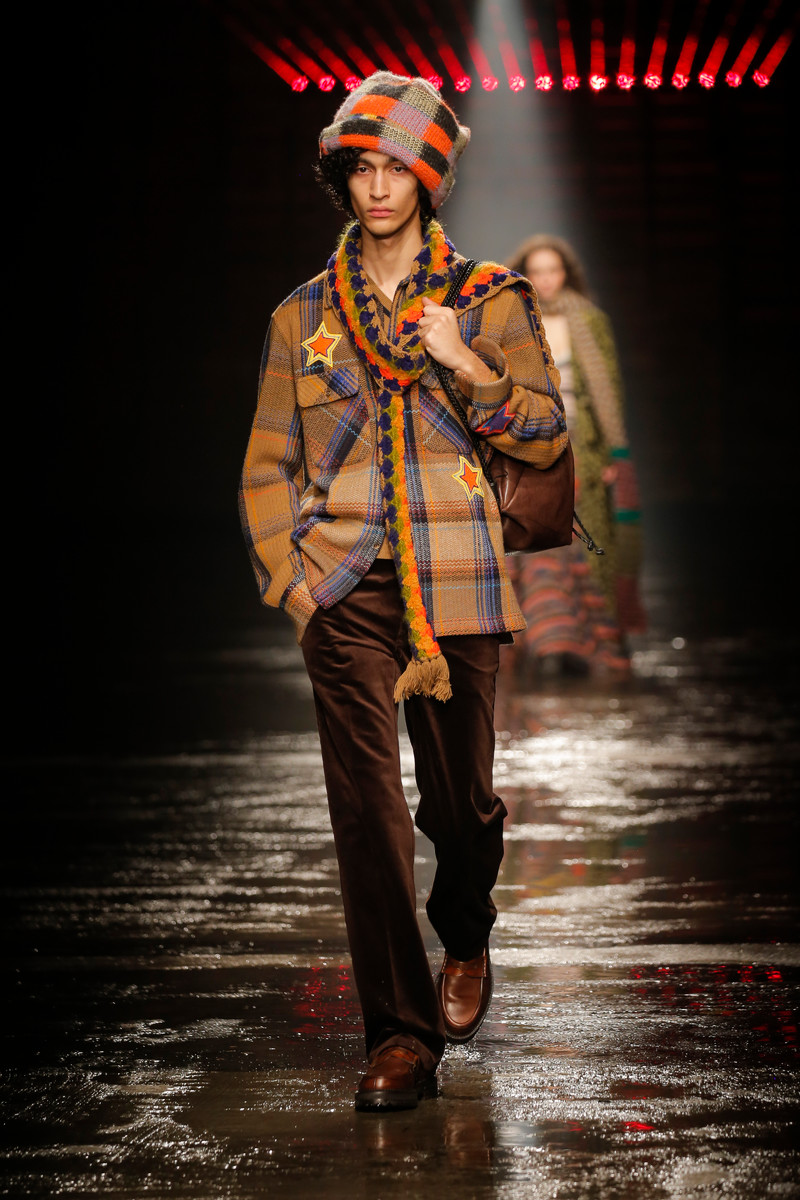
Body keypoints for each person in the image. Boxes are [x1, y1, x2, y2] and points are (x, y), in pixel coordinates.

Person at [239, 73, 567, 1112]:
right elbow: (266, 465)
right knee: (366, 811)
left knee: (460, 807)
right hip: (344, 587)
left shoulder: (487, 298)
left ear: (429, 178)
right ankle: (398, 1036)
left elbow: (546, 432)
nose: (378, 187)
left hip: (458, 579)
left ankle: (465, 928)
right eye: (361, 169)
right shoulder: (300, 315)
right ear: (341, 179)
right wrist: (295, 588)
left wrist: (465, 365)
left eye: (397, 168)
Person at [505, 234, 646, 678]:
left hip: (582, 443)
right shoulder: (512, 322)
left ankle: (593, 643)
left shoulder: (589, 321)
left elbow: (608, 391)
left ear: (565, 273)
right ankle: (545, 642)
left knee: (587, 541)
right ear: (526, 275)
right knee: (538, 541)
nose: (546, 280)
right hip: (531, 440)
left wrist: (612, 452)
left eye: (553, 270)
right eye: (538, 271)